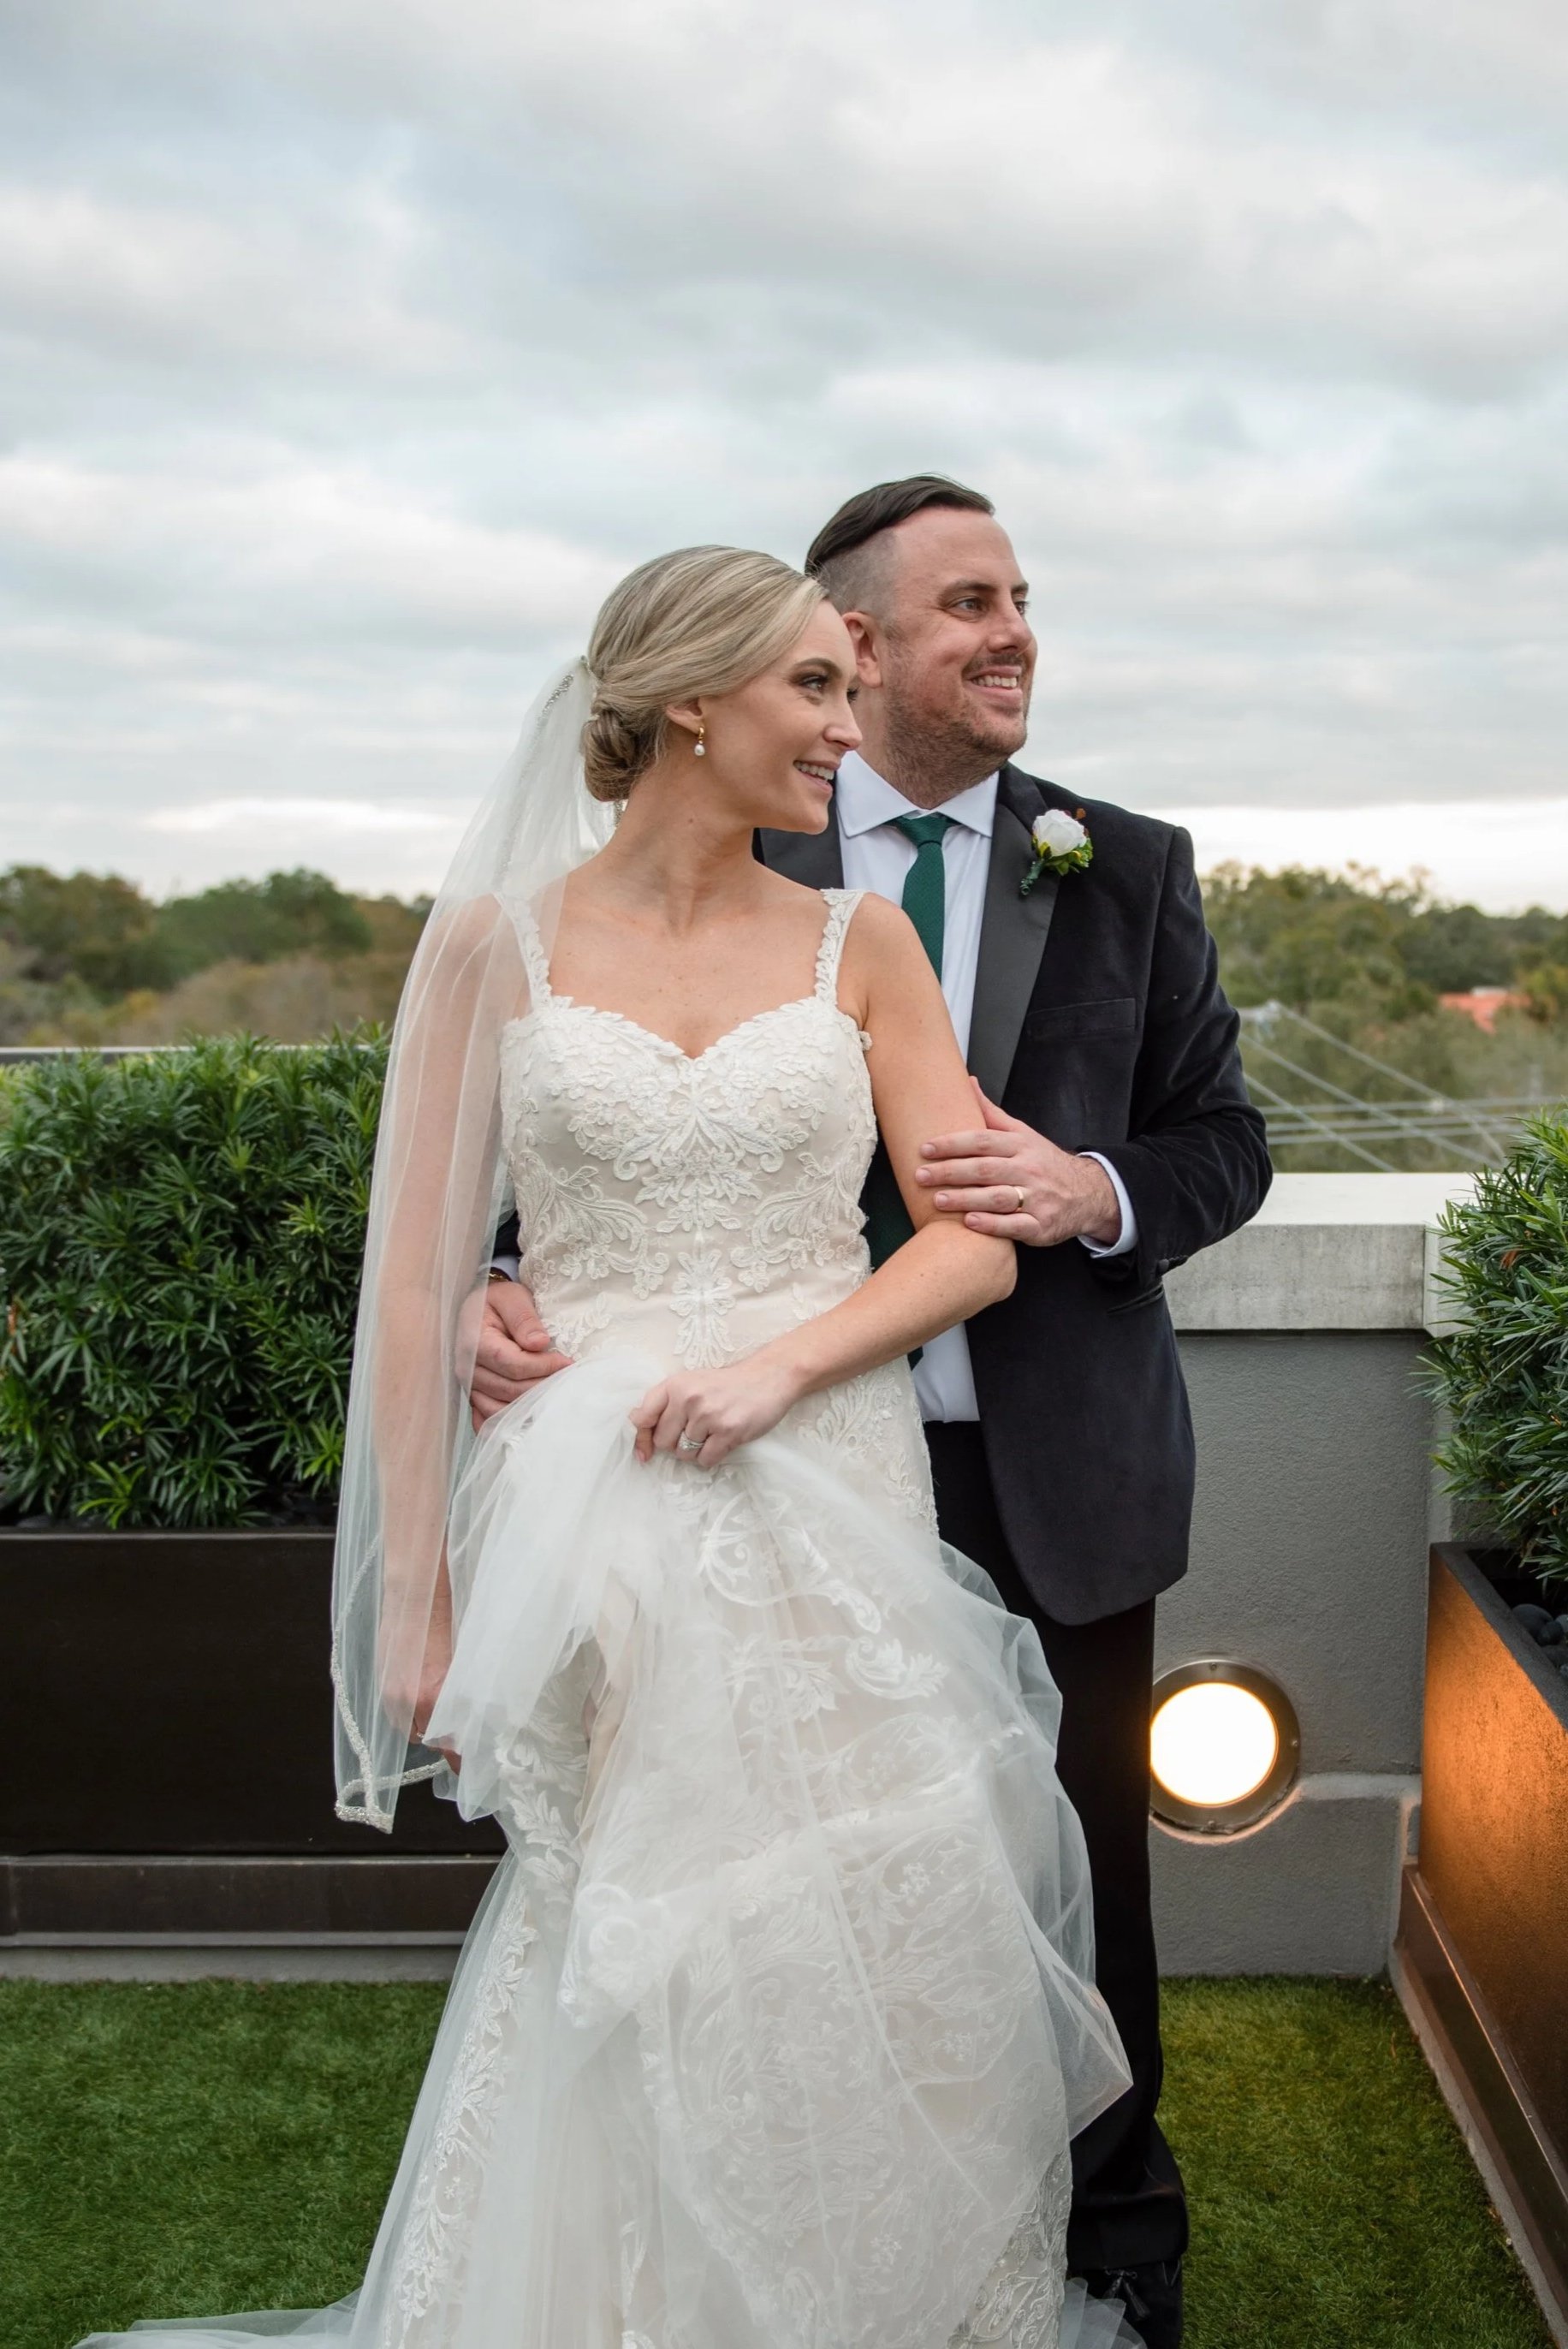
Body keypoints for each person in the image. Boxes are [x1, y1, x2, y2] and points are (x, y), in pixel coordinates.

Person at [78, 546, 1142, 2349]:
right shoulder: (493, 944)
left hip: (834, 1478)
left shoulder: (859, 941)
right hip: (599, 1502)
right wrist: (420, 1600)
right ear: (693, 701)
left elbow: (969, 1241)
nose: (848, 724)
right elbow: (419, 1284)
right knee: (635, 1908)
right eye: (814, 686)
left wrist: (778, 1369)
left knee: (866, 1897)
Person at [476, 481, 1274, 2349]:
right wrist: (497, 1279)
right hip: (738, 1477)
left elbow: (1224, 1141)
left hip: (1049, 1460)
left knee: (1071, 1866)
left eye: (1021, 598)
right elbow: (599, 1123)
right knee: (722, 1879)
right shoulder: (746, 823)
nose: (1012, 633)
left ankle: (1111, 2238)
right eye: (968, 602)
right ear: (856, 637)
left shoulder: (1125, 863)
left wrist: (1090, 1189)